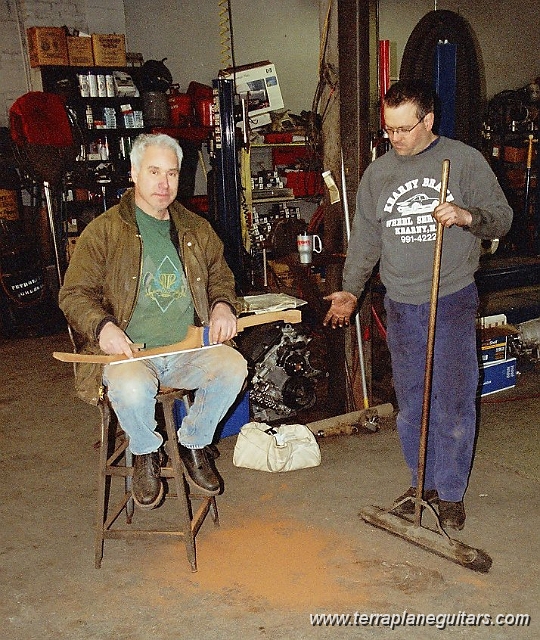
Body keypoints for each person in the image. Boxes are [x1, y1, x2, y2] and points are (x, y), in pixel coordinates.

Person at [324, 79, 513, 531]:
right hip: (401, 304)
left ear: (428, 121)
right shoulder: (378, 174)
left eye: (404, 129)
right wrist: (351, 290)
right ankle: (421, 483)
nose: (395, 139)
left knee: (451, 400)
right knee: (411, 402)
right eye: (388, 130)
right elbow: (366, 239)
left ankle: (449, 493)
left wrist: (467, 217)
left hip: (449, 298)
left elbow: (502, 219)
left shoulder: (463, 160)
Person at [59, 133, 248, 509]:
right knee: (130, 389)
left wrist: (223, 306)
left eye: (173, 174)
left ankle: (193, 443)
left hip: (186, 350)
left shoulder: (196, 229)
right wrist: (103, 327)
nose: (164, 184)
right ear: (133, 174)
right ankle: (146, 451)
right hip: (131, 355)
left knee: (233, 366)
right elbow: (73, 294)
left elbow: (220, 278)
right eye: (154, 172)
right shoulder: (105, 231)